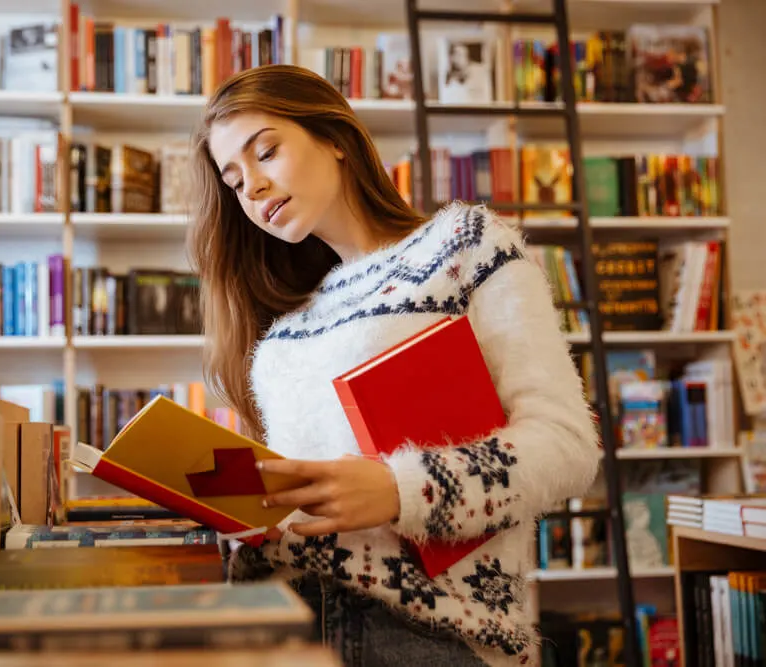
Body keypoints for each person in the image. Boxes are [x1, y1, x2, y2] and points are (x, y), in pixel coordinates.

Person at [188, 64, 601, 667]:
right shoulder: (285, 329)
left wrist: (396, 488)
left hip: (417, 631)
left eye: (266, 152)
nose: (250, 186)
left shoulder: (465, 245)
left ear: (335, 138)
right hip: (279, 618)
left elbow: (565, 445)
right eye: (233, 180)